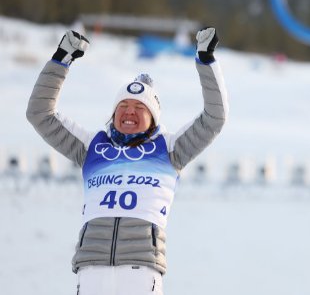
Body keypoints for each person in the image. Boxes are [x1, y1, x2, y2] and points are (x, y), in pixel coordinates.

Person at [26, 27, 228, 295]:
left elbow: (214, 118)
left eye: (139, 108)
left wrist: (205, 61)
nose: (129, 112)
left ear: (153, 117)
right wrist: (62, 58)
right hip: (91, 271)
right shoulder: (91, 147)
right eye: (123, 106)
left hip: (141, 272)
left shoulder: (170, 150)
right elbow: (40, 113)